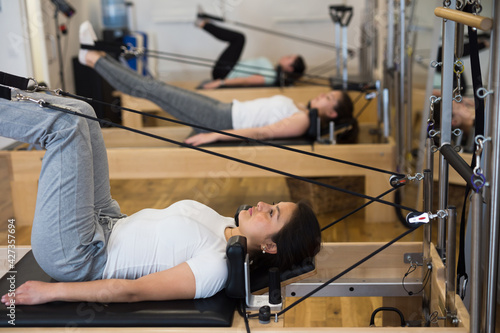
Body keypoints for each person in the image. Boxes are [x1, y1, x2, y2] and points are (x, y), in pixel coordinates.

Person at [0, 86, 321, 305]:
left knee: (66, 127)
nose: (264, 204)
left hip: (78, 254)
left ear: (270, 245)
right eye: (274, 204)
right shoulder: (226, 223)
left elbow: (131, 292)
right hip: (108, 219)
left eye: (273, 213)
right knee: (83, 112)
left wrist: (51, 293)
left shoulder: (216, 267)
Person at [78, 21, 356, 146]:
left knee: (151, 89)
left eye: (328, 99)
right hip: (222, 109)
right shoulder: (300, 110)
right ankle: (94, 56)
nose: (322, 95)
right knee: (152, 88)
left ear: (332, 113)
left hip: (219, 119)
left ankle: (93, 57)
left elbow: (262, 133)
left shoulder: (303, 121)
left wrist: (215, 135)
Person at [196, 18, 306, 89]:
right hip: (227, 69)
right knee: (239, 39)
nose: (285, 56)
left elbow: (246, 81)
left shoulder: (271, 76)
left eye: (289, 57)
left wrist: (220, 83)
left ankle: (203, 24)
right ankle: (205, 24)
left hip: (224, 73)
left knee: (239, 38)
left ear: (290, 68)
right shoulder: (272, 71)